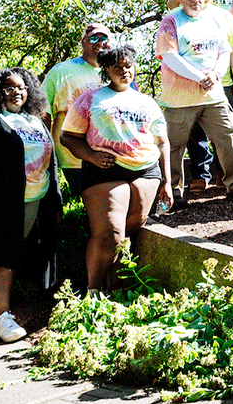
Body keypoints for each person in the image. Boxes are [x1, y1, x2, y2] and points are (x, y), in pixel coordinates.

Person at [60, 46, 171, 291]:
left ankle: (114, 292)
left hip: (146, 171)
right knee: (110, 234)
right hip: (105, 170)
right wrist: (90, 156)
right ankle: (92, 292)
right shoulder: (90, 99)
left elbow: (162, 141)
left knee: (130, 231)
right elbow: (67, 136)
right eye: (117, 67)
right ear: (107, 70)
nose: (124, 71)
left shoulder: (147, 101)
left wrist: (168, 182)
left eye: (128, 66)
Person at [0, 68, 60, 343]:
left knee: (13, 255)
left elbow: (51, 161)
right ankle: (1, 316)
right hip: (1, 202)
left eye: (22, 87)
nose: (17, 92)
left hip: (36, 198)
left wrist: (55, 197)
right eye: (9, 87)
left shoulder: (34, 120)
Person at [155, 0, 233, 204]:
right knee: (174, 146)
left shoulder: (214, 19)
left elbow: (225, 50)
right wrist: (199, 77)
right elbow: (170, 56)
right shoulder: (170, 21)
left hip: (213, 94)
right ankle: (173, 192)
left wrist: (216, 75)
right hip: (179, 99)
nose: (195, 0)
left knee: (228, 137)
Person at [42, 23, 113, 196]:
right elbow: (42, 111)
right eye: (94, 38)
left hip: (112, 154)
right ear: (82, 43)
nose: (100, 42)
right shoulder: (61, 71)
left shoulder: (118, 70)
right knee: (90, 203)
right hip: (73, 158)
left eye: (104, 38)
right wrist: (45, 152)